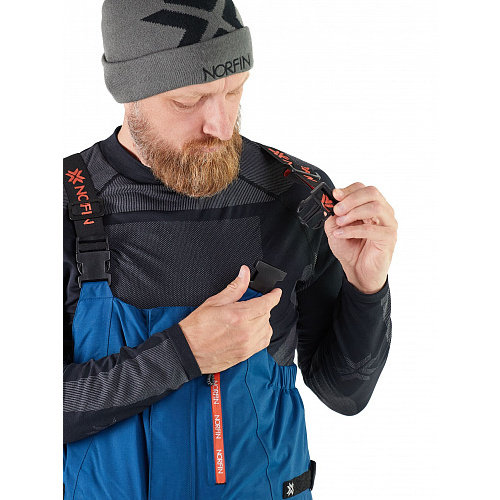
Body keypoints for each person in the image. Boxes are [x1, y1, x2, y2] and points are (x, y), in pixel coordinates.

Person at [63, 1, 397, 498]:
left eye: (234, 90)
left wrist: (366, 288)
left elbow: (344, 393)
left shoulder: (295, 195)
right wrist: (179, 356)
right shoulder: (61, 206)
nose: (220, 126)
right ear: (130, 92)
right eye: (188, 100)